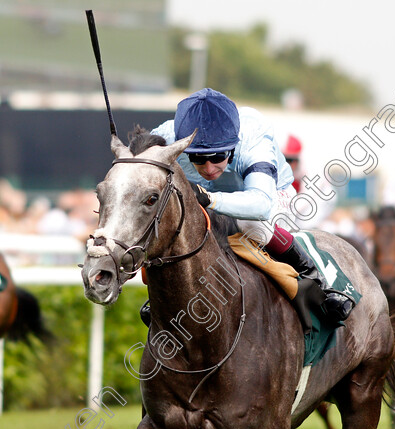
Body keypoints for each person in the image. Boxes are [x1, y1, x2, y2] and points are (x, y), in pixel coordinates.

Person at [149, 88, 354, 325]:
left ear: (233, 145)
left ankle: (316, 279)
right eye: (197, 157)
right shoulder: (166, 136)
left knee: (248, 223)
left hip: (274, 194)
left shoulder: (253, 137)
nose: (208, 167)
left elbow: (261, 204)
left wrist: (211, 199)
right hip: (210, 199)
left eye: (217, 156)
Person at [285, 134, 335, 230]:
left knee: (304, 223)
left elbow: (306, 198)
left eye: (290, 160)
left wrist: (286, 213)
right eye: (285, 159)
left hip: (322, 195)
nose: (287, 164)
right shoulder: (289, 165)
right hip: (301, 192)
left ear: (297, 159)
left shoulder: (312, 167)